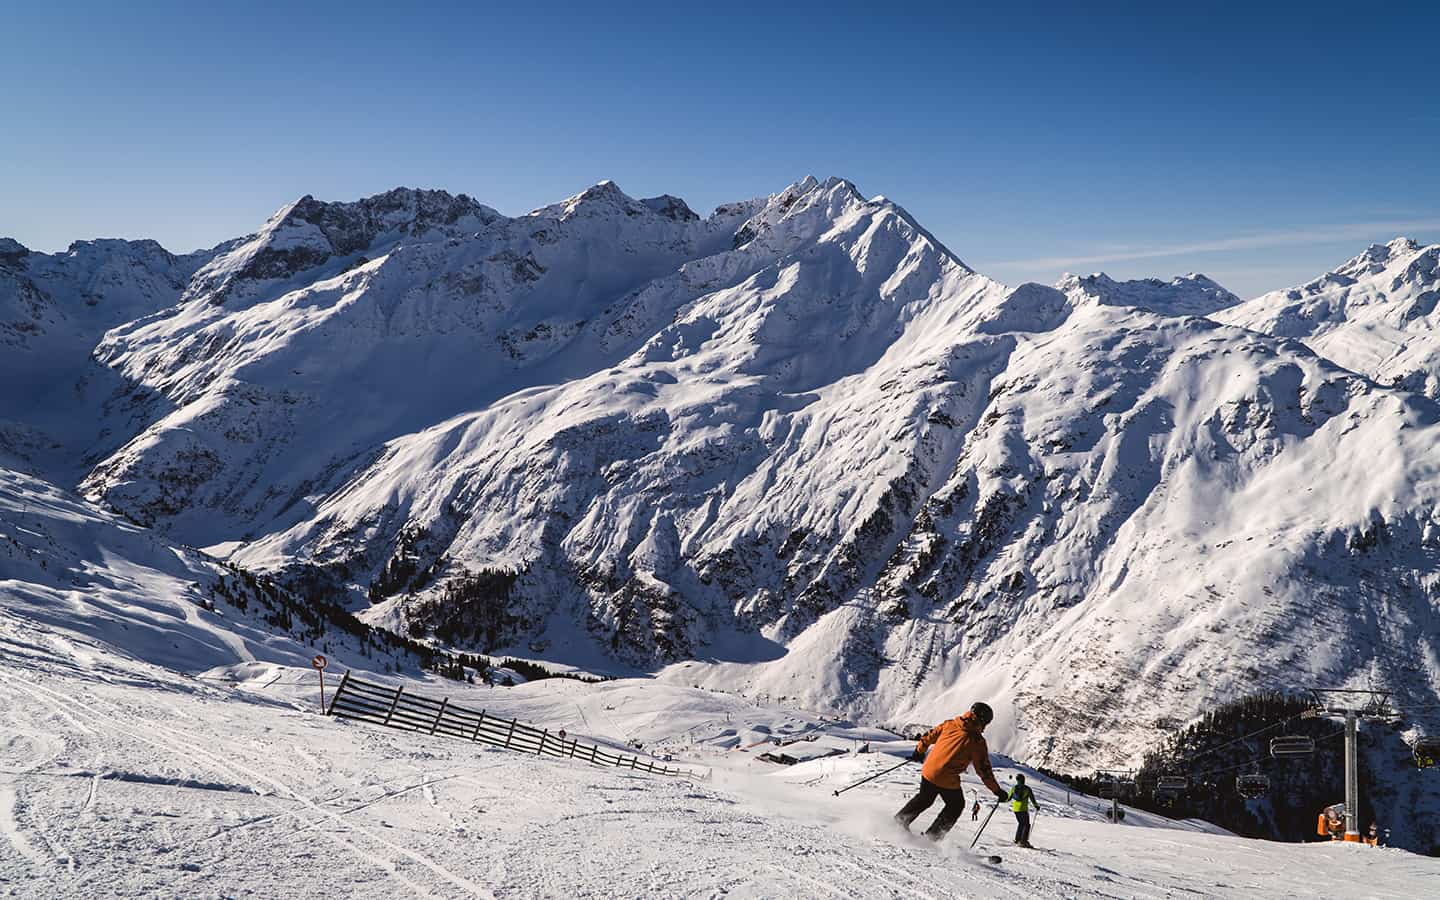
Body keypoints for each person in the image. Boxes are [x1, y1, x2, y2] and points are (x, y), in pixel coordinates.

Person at [894, 702, 1007, 840]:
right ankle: (932, 837)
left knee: (925, 798)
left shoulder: (951, 724)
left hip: (929, 770)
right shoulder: (977, 741)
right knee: (956, 805)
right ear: (982, 720)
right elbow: (984, 771)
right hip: (946, 777)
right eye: (986, 723)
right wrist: (997, 791)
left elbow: (929, 736)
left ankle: (900, 821)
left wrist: (918, 751)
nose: (985, 727)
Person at [1008, 773, 1041, 848]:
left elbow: (1008, 798)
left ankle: (1017, 839)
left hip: (1015, 809)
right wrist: (1036, 806)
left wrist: (1001, 799)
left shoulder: (1013, 788)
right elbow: (1032, 799)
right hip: (1023, 809)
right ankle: (1023, 842)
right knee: (1026, 825)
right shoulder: (1027, 789)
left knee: (1021, 823)